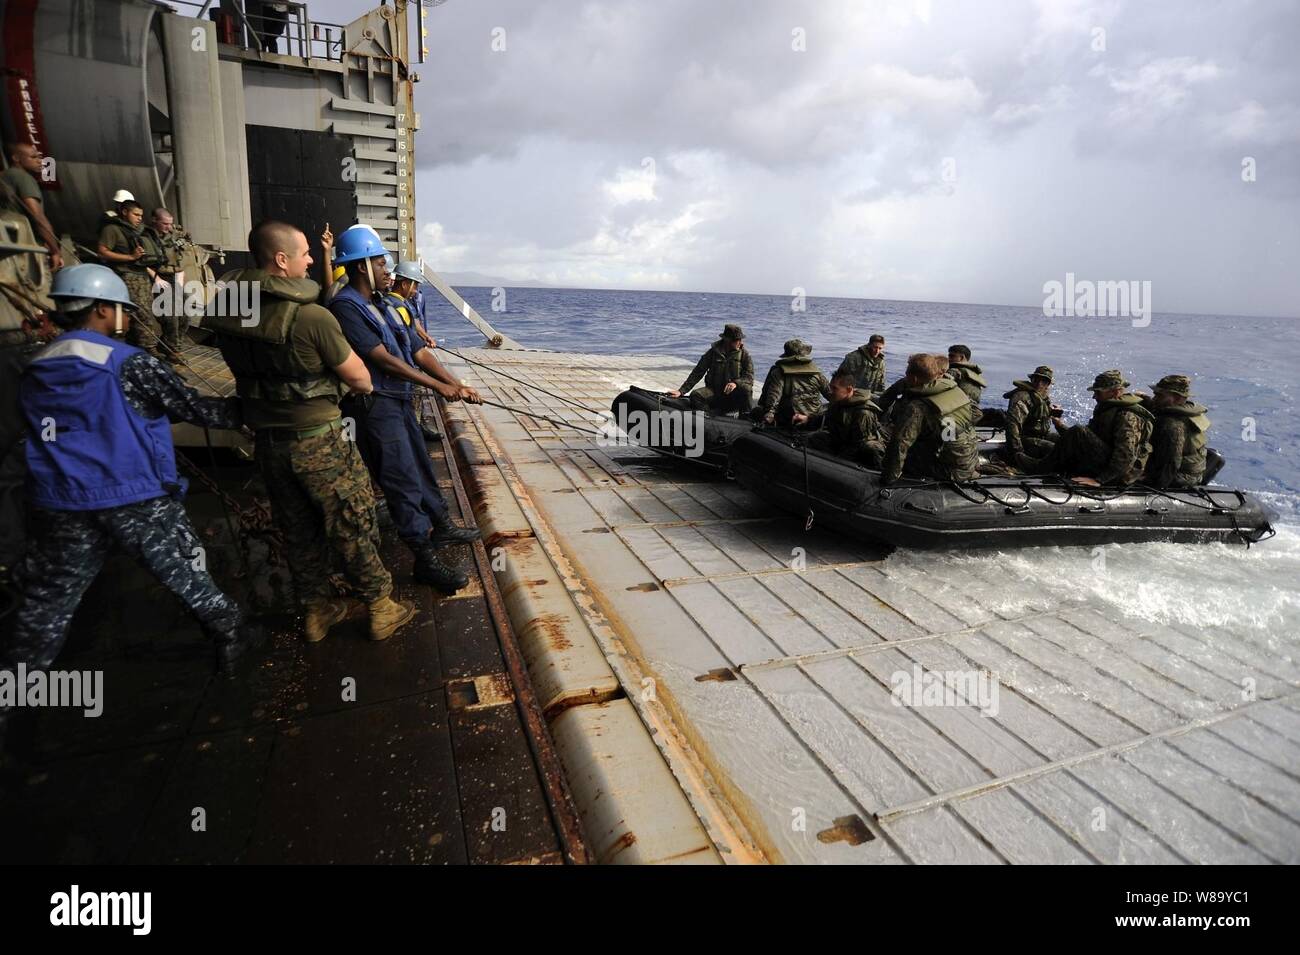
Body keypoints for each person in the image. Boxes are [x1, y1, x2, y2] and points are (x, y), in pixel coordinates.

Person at [3, 265, 257, 691]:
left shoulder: (32, 364)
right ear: (103, 309)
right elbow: (197, 410)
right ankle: (232, 634)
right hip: (132, 494)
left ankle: (14, 690)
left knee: (47, 604)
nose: (127, 318)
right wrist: (257, 409)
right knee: (184, 568)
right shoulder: (129, 363)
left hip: (60, 500)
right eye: (123, 309)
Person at [202, 219, 416, 643]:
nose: (311, 262)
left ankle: (317, 613)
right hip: (320, 440)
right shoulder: (311, 317)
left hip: (269, 445)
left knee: (297, 532)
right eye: (304, 255)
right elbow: (360, 379)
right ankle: (380, 607)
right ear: (281, 260)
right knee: (351, 524)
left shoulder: (231, 317)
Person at [326, 225, 482, 594]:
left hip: (399, 404)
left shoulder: (387, 305)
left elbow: (418, 351)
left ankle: (441, 525)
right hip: (375, 409)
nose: (388, 270)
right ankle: (423, 559)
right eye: (380, 262)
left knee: (422, 466)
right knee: (401, 480)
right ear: (362, 266)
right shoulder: (346, 308)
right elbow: (385, 361)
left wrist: (453, 383)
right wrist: (439, 388)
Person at [1020, 369, 1153, 486]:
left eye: (1098, 393)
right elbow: (1090, 437)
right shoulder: (1108, 409)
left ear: (1115, 392)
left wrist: (1100, 480)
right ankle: (1051, 466)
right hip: (1107, 460)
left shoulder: (1126, 416)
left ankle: (1040, 468)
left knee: (1078, 431)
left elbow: (1126, 454)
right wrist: (1060, 425)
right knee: (1062, 437)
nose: (1094, 396)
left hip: (1118, 473)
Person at [880, 353, 980, 484]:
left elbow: (899, 444)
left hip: (950, 470)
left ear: (914, 379)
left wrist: (888, 479)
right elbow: (975, 415)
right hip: (971, 460)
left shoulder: (917, 407)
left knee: (894, 458)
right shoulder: (954, 389)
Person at [96, 200, 170, 362]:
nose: (139, 218)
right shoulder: (112, 229)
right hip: (126, 276)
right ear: (124, 212)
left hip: (142, 276)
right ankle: (148, 348)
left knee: (147, 311)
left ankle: (139, 346)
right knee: (140, 313)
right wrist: (130, 257)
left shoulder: (139, 231)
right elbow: (102, 252)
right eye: (135, 214)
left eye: (141, 215)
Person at [798, 370, 886, 468]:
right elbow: (826, 417)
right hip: (843, 439)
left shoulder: (863, 413)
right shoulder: (839, 401)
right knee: (816, 438)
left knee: (870, 450)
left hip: (859, 445)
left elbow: (857, 444)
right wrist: (808, 419)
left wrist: (837, 462)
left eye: (834, 388)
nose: (830, 391)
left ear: (849, 389)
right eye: (831, 387)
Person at [668, 324, 754, 415]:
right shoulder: (713, 353)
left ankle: (746, 418)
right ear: (727, 340)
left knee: (747, 389)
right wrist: (681, 391)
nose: (740, 342)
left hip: (733, 395)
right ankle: (710, 415)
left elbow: (749, 378)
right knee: (695, 395)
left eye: (740, 339)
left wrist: (735, 383)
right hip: (715, 392)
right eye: (737, 340)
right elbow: (698, 372)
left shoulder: (744, 355)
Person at [2, 142, 62, 269]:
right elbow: (37, 216)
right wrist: (55, 249)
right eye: (33, 157)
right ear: (16, 158)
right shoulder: (23, 177)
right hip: (22, 248)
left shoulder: (5, 176)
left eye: (39, 157)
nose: (40, 161)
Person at [1143, 375, 1210, 488]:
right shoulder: (1182, 411)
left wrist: (1155, 485)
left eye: (1160, 396)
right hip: (1186, 469)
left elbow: (1171, 463)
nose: (1154, 399)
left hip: (1181, 475)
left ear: (1178, 398)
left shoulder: (1172, 425)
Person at [144, 207, 187, 359]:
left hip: (175, 277)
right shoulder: (147, 237)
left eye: (170, 224)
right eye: (165, 224)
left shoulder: (173, 236)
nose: (169, 227)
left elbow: (179, 260)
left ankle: (168, 344)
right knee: (171, 315)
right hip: (159, 276)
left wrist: (180, 280)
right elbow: (142, 262)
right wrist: (156, 279)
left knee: (185, 314)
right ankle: (173, 350)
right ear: (155, 221)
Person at [756, 339, 829, 426]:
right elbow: (831, 394)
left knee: (755, 412)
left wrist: (768, 414)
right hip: (813, 419)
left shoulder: (778, 372)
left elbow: (773, 398)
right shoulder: (816, 372)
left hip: (789, 419)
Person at [1001, 365, 1059, 460]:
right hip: (1025, 438)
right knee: (1054, 450)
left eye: (1044, 381)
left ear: (1048, 385)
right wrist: (1017, 452)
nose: (1039, 384)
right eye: (1036, 380)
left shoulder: (1042, 397)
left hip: (1041, 435)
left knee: (1067, 442)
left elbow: (1039, 416)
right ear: (1032, 380)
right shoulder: (1023, 397)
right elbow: (1012, 425)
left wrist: (1052, 413)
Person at [945, 344, 986, 420]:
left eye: (952, 356)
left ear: (961, 357)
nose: (948, 359)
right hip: (974, 412)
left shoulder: (954, 371)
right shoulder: (974, 373)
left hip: (958, 412)